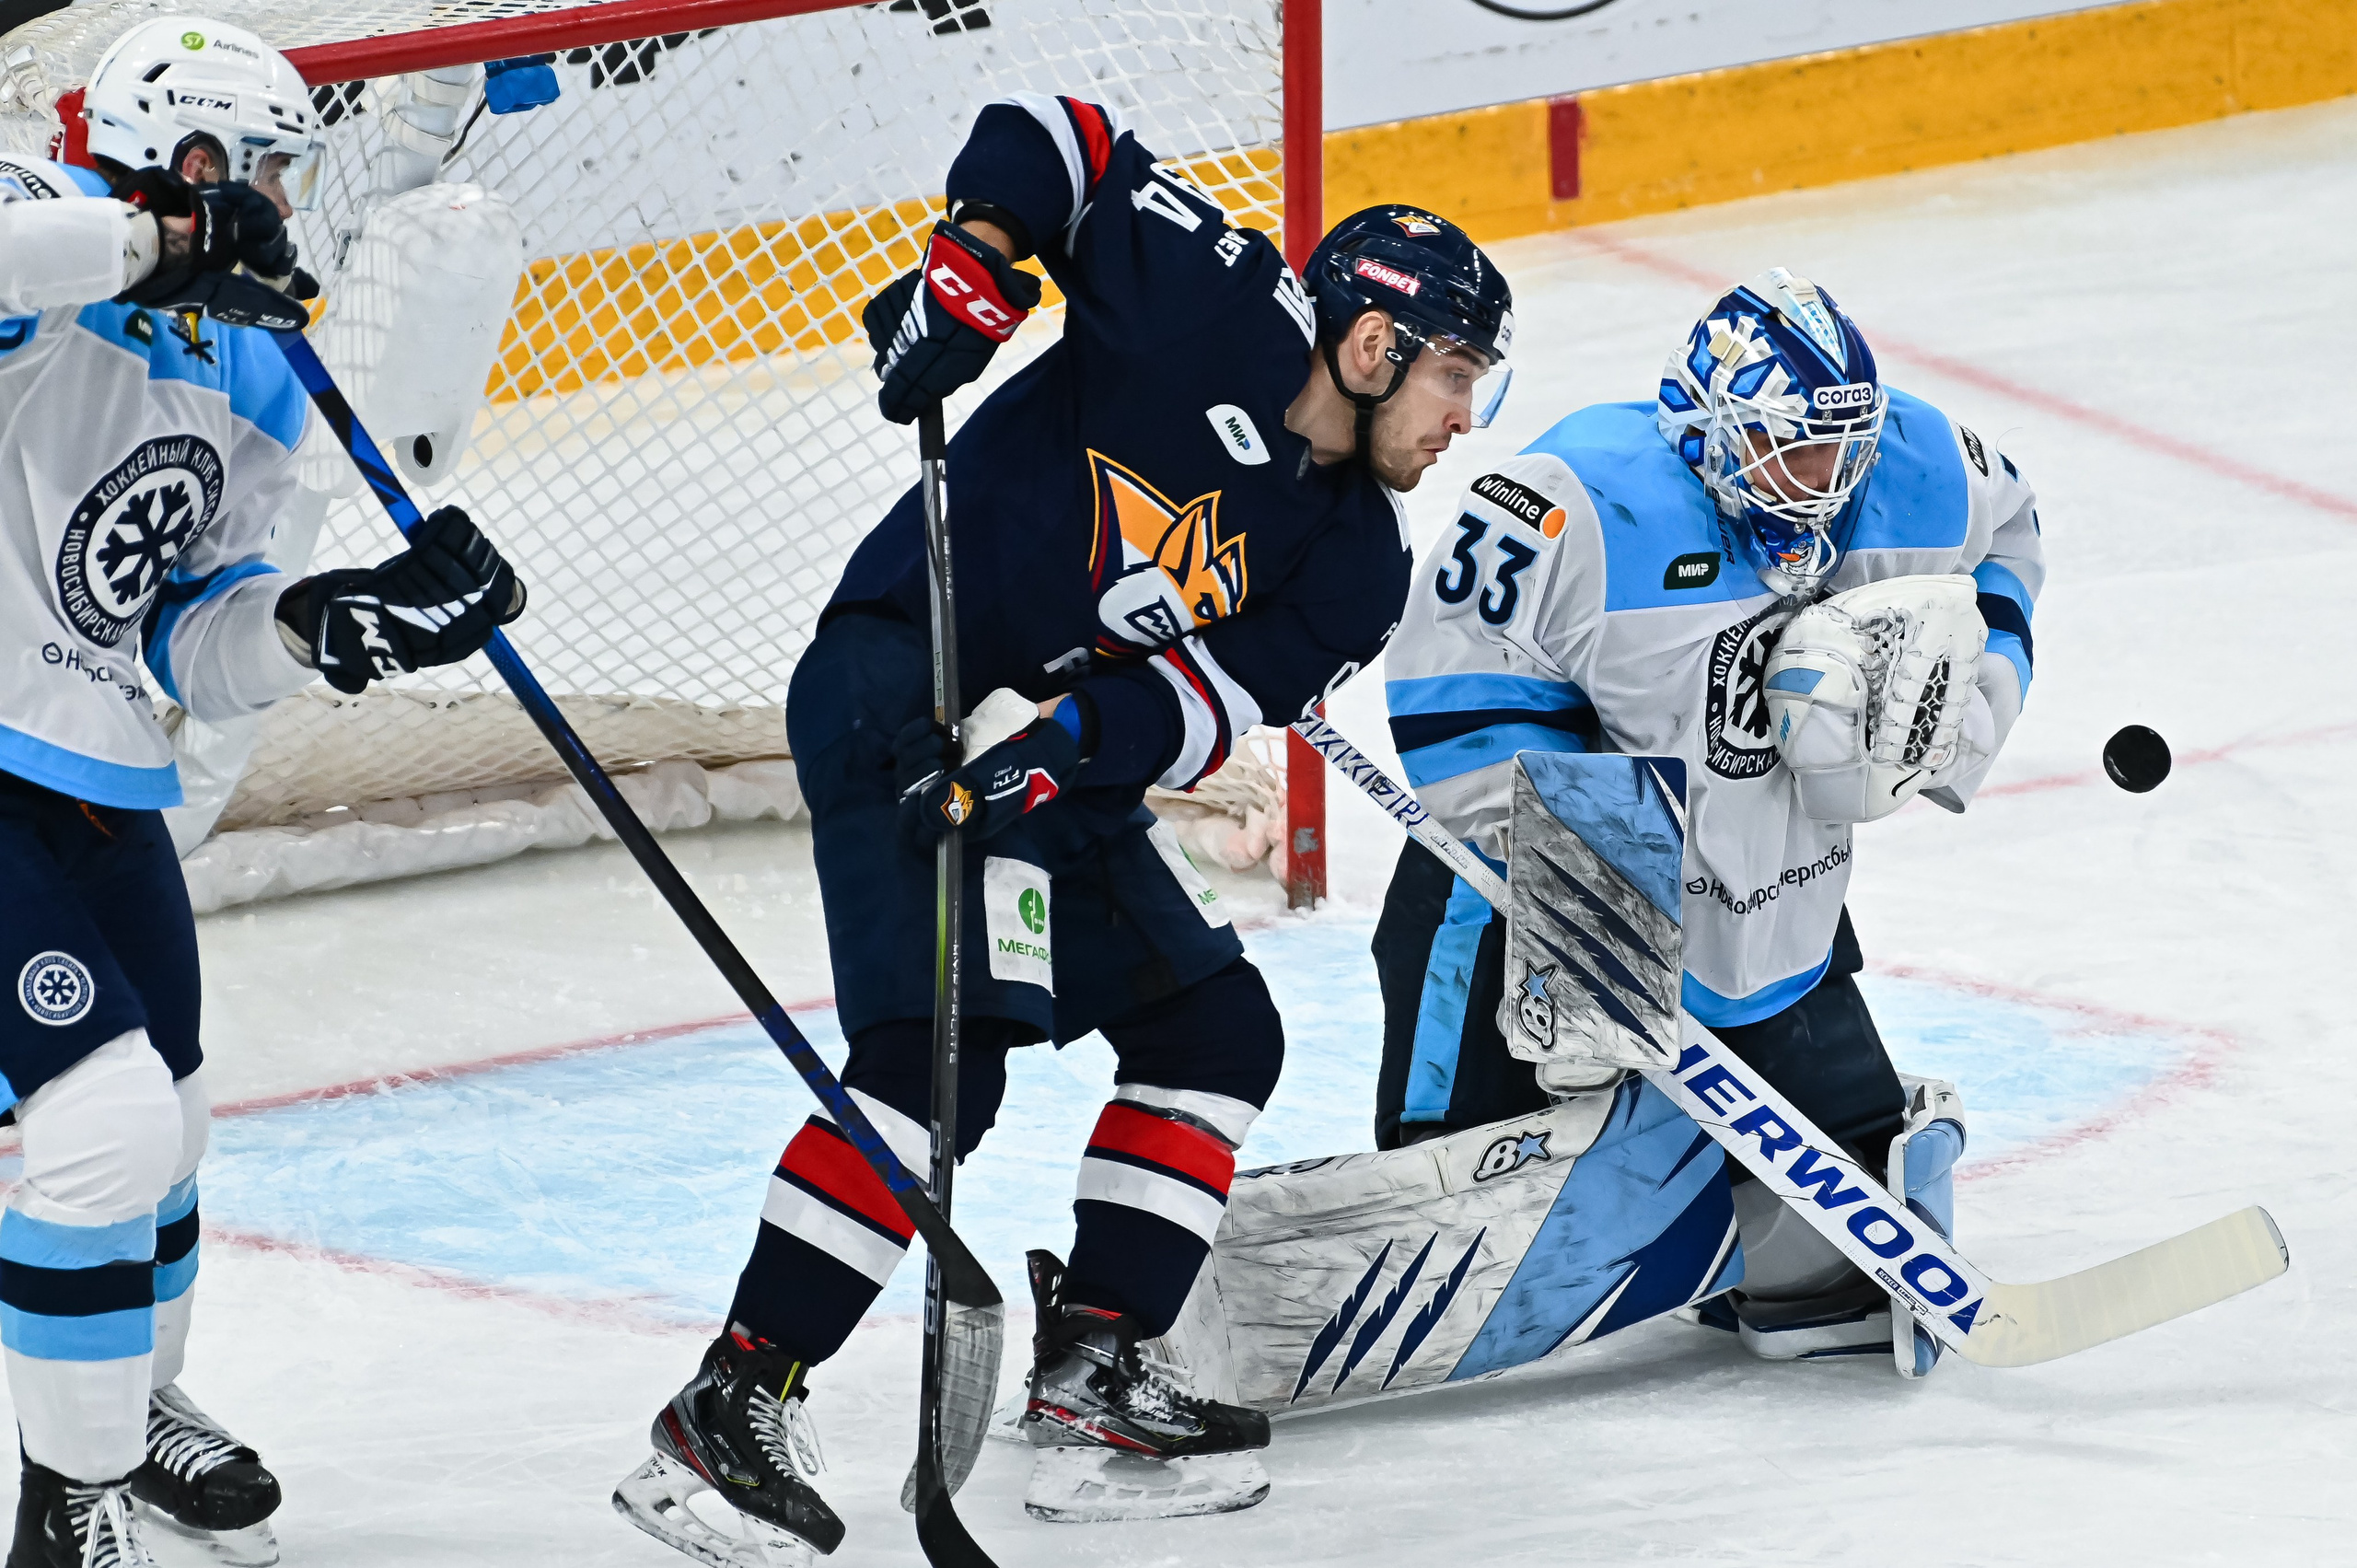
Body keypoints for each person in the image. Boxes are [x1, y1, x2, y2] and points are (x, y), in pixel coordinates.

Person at [612, 92, 1512, 1562]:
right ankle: (733, 1399)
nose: (1464, 414)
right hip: (901, 676)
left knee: (1215, 1031)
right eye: (1455, 372)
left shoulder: (1357, 560)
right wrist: (975, 263)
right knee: (934, 1070)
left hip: (1045, 758)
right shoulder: (1213, 303)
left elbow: (1213, 699)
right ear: (1371, 344)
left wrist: (1075, 744)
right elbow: (1063, 136)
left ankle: (1097, 1358)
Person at [0, 18, 525, 1564]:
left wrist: (332, 619)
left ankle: (126, 1402)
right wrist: (152, 246)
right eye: (269, 170)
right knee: (94, 1125)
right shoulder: (43, 225)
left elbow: (193, 632)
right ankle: (63, 1503)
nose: (289, 201)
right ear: (186, 156)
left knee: (167, 1116)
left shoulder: (246, 358)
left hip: (88, 767)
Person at [1374, 267, 2040, 1375]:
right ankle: (1436, 1173)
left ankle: (1729, 1229)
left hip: (1772, 883)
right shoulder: (1571, 495)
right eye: (1794, 447)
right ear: (1709, 428)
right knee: (1465, 1172)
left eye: (1843, 447)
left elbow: (2011, 534)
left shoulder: (1910, 467)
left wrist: (1976, 700)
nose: (1825, 479)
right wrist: (1586, 871)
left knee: (1845, 1270)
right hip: (1534, 891)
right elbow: (1450, 694)